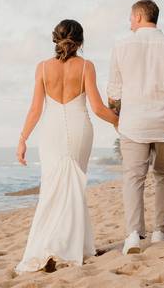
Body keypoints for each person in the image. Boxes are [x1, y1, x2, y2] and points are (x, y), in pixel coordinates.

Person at [15, 19, 120, 273]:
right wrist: (119, 122)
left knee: (51, 188)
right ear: (80, 42)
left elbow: (35, 109)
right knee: (74, 186)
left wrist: (22, 139)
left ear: (55, 39)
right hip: (79, 129)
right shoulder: (86, 67)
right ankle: (73, 246)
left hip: (50, 131)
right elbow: (96, 108)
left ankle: (49, 245)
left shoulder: (41, 68)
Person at [107, 0, 164, 254]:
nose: (129, 22)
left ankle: (133, 235)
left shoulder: (120, 46)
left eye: (131, 17)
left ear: (138, 16)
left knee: (133, 178)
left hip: (133, 123)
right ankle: (159, 232)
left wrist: (117, 118)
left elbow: (114, 92)